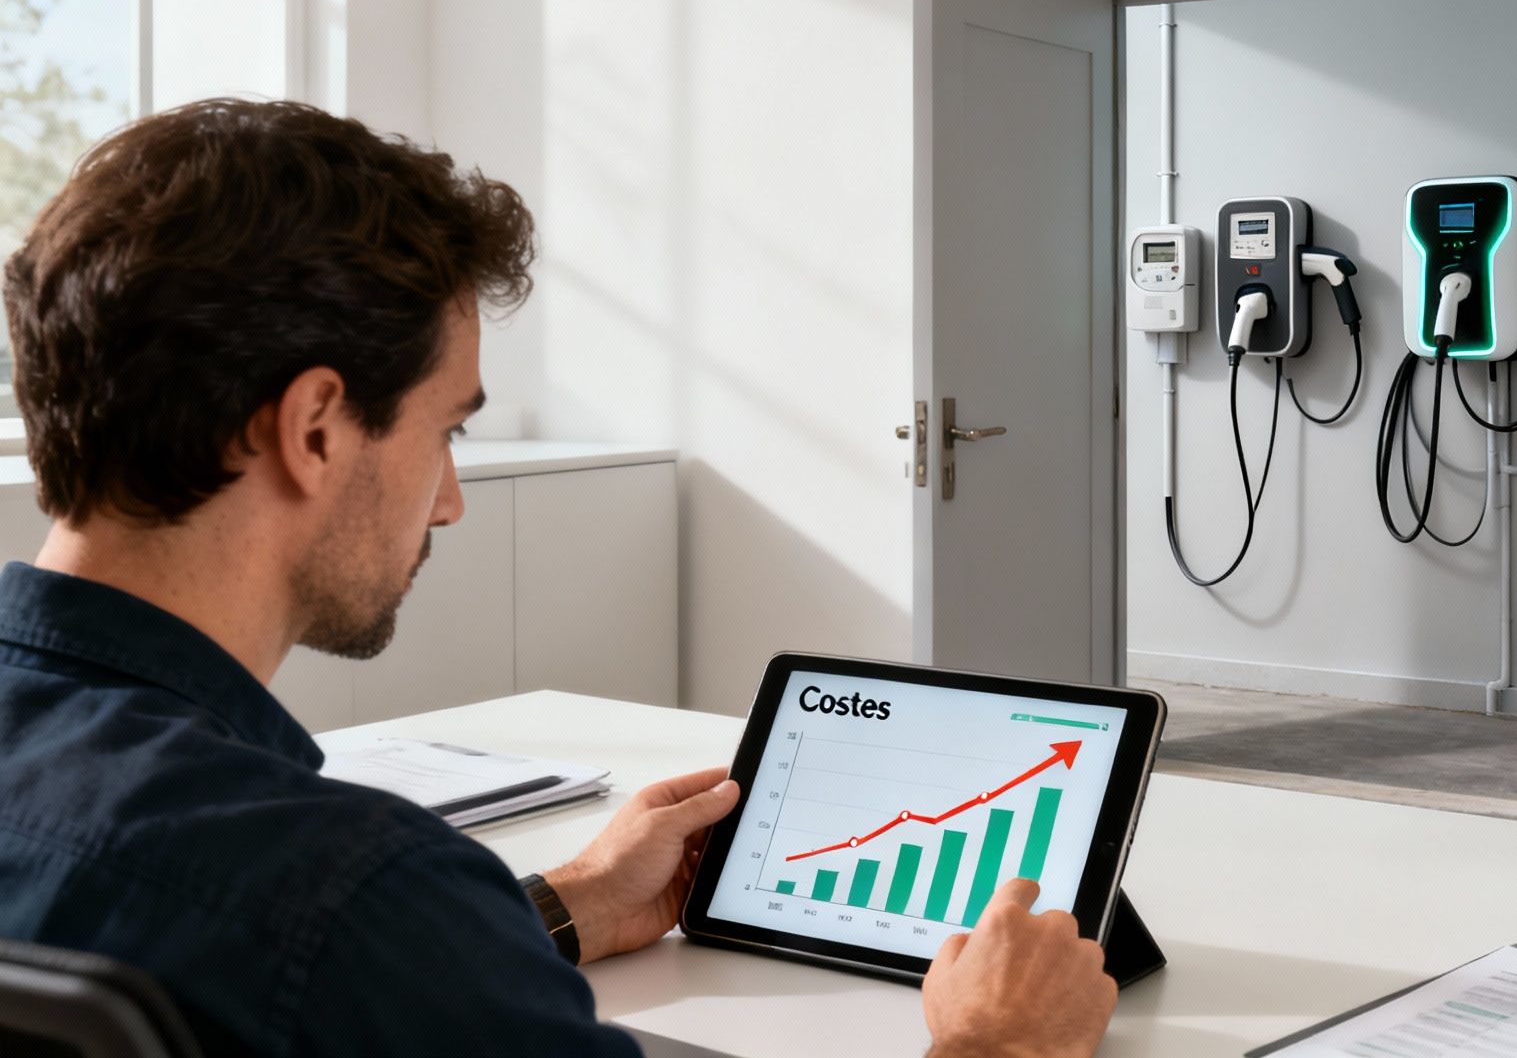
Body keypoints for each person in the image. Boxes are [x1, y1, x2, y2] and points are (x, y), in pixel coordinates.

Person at [0, 99, 1118, 1058]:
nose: (449, 500)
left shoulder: (350, 916)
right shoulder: (352, 896)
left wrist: (557, 908)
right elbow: (334, 948)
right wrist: (998, 1041)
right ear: (316, 428)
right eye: (446, 433)